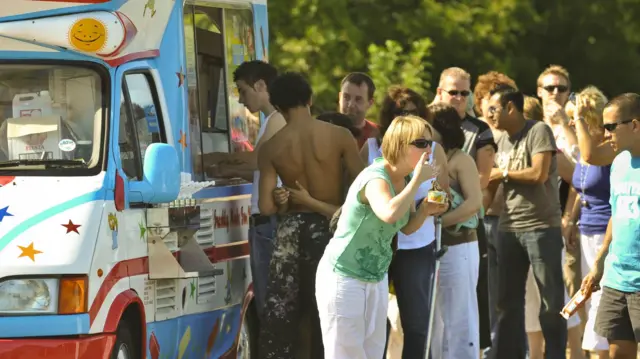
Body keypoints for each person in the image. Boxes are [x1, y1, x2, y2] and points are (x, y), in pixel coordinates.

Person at [316, 115, 448, 359]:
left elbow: (406, 227)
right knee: (345, 354)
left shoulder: (403, 179)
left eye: (429, 143)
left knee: (373, 353)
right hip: (345, 276)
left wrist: (426, 210)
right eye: (421, 143)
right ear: (399, 144)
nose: (428, 149)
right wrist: (418, 179)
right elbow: (388, 213)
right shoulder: (376, 177)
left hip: (375, 278)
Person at [257, 72, 365, 359]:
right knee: (328, 310)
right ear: (310, 99)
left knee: (285, 314)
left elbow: (265, 208)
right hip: (331, 228)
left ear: (278, 107)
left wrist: (283, 200)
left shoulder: (270, 148)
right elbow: (364, 188)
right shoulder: (340, 135)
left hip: (290, 232)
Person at [197, 61, 284, 335]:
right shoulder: (270, 121)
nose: (242, 99)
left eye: (244, 91)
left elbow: (257, 160)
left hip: (269, 220)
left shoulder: (277, 119)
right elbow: (256, 167)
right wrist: (224, 168)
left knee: (270, 301)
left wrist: (216, 159)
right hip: (263, 220)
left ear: (261, 85)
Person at [361, 86, 448, 359]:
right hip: (379, 244)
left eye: (412, 112)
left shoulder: (433, 149)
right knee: (375, 323)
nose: (406, 117)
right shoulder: (373, 148)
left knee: (417, 323)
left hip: (418, 244)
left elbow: (442, 197)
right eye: (399, 112)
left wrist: (434, 205)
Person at [486, 84, 567, 358]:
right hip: (508, 228)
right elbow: (492, 183)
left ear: (510, 107)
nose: (490, 114)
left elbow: (539, 174)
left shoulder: (538, 131)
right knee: (506, 303)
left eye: (494, 108)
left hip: (541, 227)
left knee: (550, 301)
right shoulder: (501, 140)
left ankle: (554, 354)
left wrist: (502, 173)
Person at [581, 93, 640, 359]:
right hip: (617, 279)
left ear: (635, 125)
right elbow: (616, 215)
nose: (606, 134)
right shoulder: (618, 163)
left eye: (611, 127)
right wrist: (600, 261)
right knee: (617, 354)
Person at [428, 103, 483, 359]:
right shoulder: (427, 158)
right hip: (433, 249)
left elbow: (474, 203)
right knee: (435, 322)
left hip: (459, 248)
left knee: (460, 318)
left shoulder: (461, 159)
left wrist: (439, 222)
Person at [563, 86, 611, 358]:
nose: (572, 123)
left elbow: (593, 161)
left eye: (576, 118)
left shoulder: (606, 148)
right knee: (589, 299)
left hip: (605, 232)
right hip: (586, 232)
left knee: (602, 299)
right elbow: (581, 187)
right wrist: (570, 218)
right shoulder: (584, 150)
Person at [338, 72, 379, 147]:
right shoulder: (324, 131)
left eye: (358, 99)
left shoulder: (378, 135)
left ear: (370, 103)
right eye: (346, 97)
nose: (351, 105)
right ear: (339, 97)